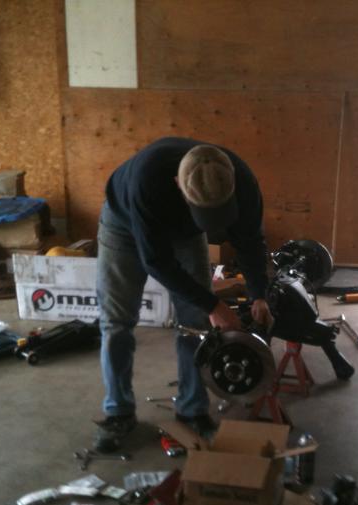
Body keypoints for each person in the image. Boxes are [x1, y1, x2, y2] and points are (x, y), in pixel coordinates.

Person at [94, 137, 272, 450]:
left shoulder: (243, 180)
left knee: (195, 323)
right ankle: (118, 411)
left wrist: (259, 294)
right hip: (123, 225)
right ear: (178, 183)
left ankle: (192, 411)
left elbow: (250, 242)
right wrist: (214, 304)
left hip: (186, 233)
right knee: (116, 322)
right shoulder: (148, 180)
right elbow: (156, 262)